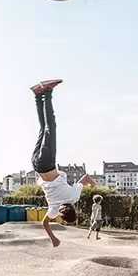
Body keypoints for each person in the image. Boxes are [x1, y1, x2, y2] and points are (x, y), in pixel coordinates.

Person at [31, 80, 94, 248]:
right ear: (62, 215)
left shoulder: (73, 196)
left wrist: (93, 186)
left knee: (51, 127)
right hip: (36, 165)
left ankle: (48, 92)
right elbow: (45, 224)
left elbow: (86, 177)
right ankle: (38, 95)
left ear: (74, 209)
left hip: (47, 163)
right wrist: (53, 238)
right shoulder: (53, 210)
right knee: (43, 127)